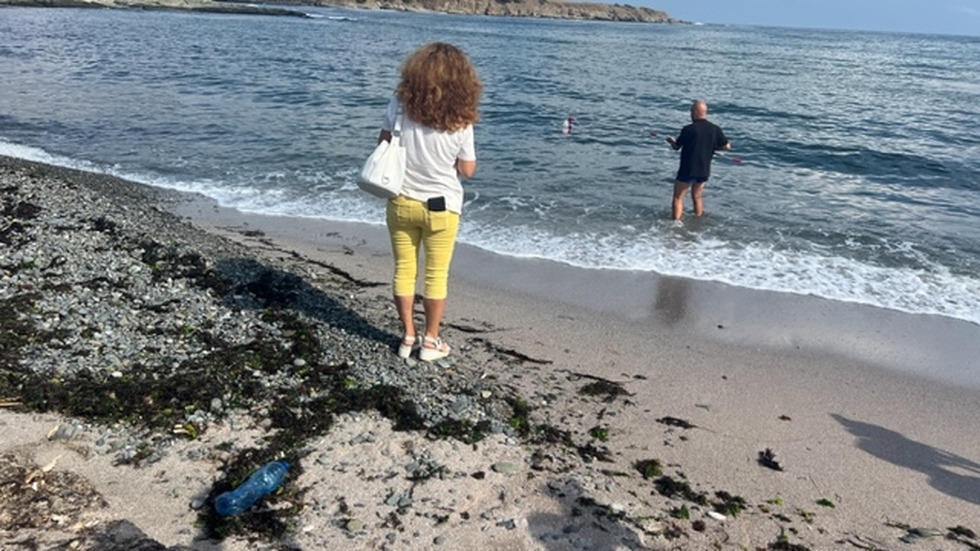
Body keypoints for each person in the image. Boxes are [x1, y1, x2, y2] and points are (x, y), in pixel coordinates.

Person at [375, 42, 482, 362]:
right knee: (436, 275)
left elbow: (383, 142)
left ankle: (408, 336)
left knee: (404, 269)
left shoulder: (399, 104)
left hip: (401, 199)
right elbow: (467, 169)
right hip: (442, 206)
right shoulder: (462, 118)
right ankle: (431, 341)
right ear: (463, 79)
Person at [665, 100, 731, 220]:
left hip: (688, 168)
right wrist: (713, 148)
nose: (690, 114)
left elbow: (677, 146)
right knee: (697, 197)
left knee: (678, 197)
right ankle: (698, 221)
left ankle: (675, 224)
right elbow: (727, 146)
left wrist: (671, 141)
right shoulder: (715, 129)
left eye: (691, 111)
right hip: (704, 169)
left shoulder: (688, 129)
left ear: (695, 112)